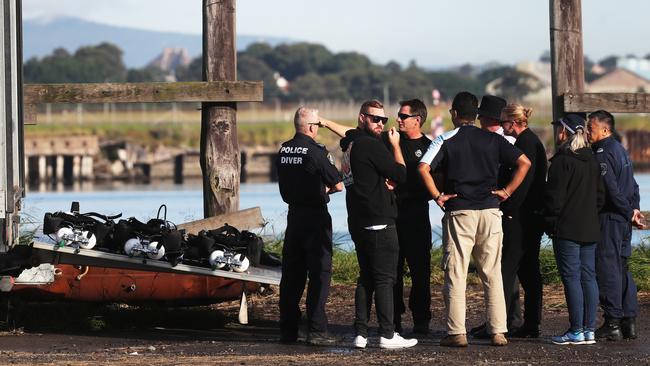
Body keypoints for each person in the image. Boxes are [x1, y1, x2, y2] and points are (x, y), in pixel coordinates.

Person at [418, 91, 531, 347]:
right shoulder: (493, 139)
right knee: (492, 272)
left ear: (455, 114)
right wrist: (506, 191)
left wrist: (437, 196)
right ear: (476, 115)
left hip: (460, 211)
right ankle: (498, 330)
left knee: (456, 273)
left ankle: (457, 332)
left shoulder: (445, 139)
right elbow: (524, 162)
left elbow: (423, 168)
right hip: (491, 211)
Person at [320, 99, 434, 335]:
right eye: (396, 116)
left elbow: (438, 176)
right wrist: (324, 122)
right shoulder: (385, 139)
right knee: (390, 273)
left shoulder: (428, 145)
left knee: (420, 270)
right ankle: (394, 321)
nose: (397, 120)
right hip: (390, 215)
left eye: (403, 116)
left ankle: (422, 320)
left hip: (417, 214)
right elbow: (351, 132)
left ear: (418, 120)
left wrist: (437, 195)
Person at [339, 100, 417, 349]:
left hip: (358, 221)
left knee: (366, 278)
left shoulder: (350, 146)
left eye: (383, 120)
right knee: (384, 278)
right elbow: (401, 174)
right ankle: (387, 333)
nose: (381, 124)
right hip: (378, 220)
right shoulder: (369, 145)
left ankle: (360, 333)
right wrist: (395, 146)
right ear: (362, 118)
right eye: (375, 119)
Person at [276, 107, 343, 346]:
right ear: (313, 127)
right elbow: (337, 184)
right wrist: (322, 189)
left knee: (292, 276)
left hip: (293, 218)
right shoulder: (316, 152)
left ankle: (288, 330)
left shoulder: (283, 149)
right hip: (315, 218)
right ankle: (316, 329)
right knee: (319, 273)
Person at [544, 114, 604, 345]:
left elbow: (554, 199)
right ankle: (589, 329)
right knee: (588, 277)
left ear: (564, 132)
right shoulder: (592, 160)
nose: (556, 132)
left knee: (571, 278)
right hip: (590, 228)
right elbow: (600, 197)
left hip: (567, 229)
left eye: (558, 128)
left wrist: (550, 223)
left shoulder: (562, 161)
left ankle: (576, 330)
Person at [587, 110, 645, 341]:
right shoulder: (621, 150)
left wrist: (628, 210)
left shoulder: (602, 152)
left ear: (604, 129)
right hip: (623, 220)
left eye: (591, 127)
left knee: (608, 268)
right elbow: (633, 185)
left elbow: (611, 189)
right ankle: (628, 321)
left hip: (611, 218)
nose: (588, 131)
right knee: (622, 268)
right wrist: (634, 209)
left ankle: (612, 321)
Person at [498, 104, 548, 338]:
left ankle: (503, 321)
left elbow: (525, 184)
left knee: (508, 268)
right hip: (532, 215)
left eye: (504, 122)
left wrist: (507, 203)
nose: (501, 126)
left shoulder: (525, 144)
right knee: (529, 269)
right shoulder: (531, 141)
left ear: (514, 122)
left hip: (520, 215)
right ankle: (531, 323)